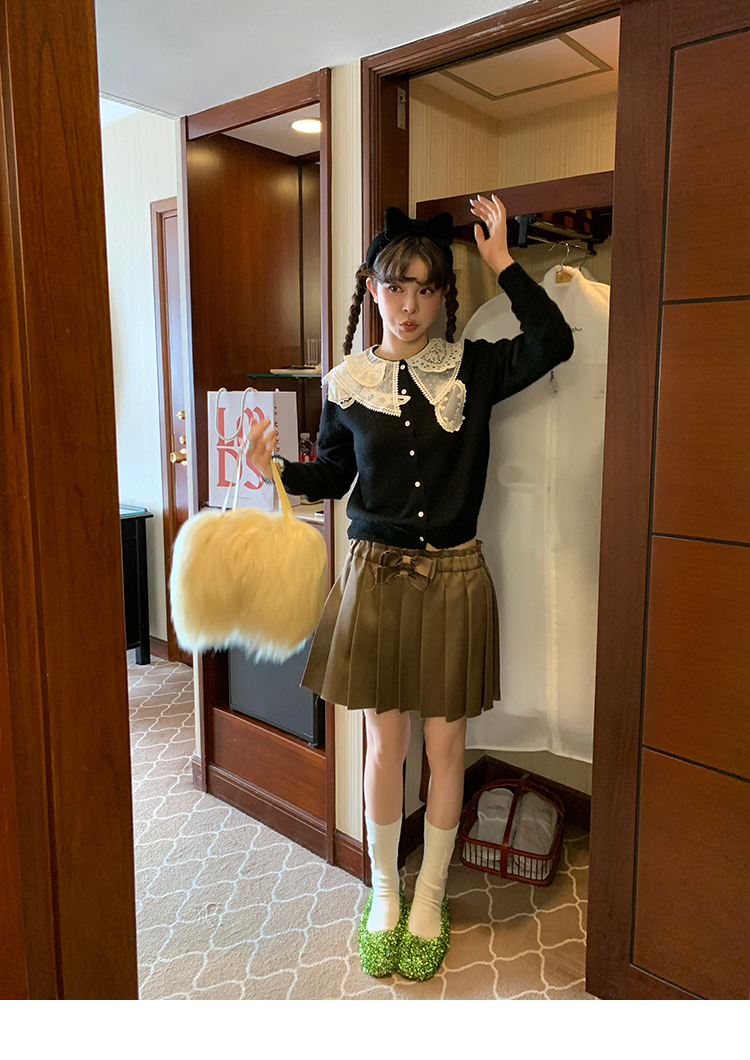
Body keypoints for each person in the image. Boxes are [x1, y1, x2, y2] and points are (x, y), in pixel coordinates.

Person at [247, 195, 574, 981]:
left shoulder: (475, 367)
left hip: (455, 575)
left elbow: (554, 340)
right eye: (396, 287)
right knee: (385, 746)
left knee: (444, 746)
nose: (410, 305)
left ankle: (431, 895)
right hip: (376, 578)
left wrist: (503, 263)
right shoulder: (346, 383)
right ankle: (386, 893)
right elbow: (333, 475)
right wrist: (276, 470)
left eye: (427, 289)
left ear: (443, 295)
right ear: (372, 287)